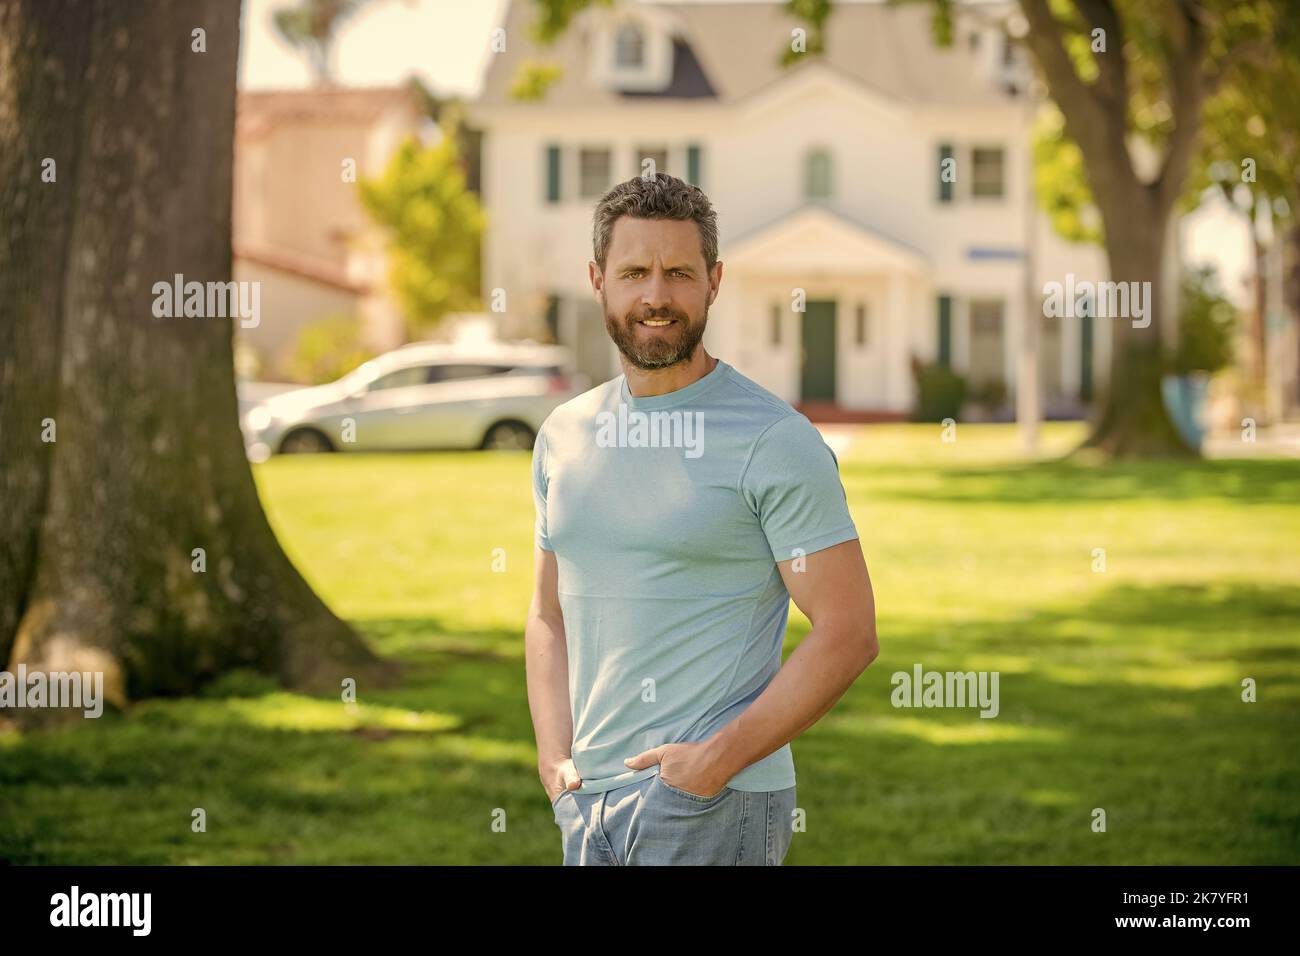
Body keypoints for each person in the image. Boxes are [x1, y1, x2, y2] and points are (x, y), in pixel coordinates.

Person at [525, 173, 878, 865]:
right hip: (586, 805)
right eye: (633, 272)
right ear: (597, 279)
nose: (656, 296)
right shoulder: (564, 434)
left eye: (678, 273)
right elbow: (547, 614)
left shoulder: (773, 440)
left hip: (712, 802)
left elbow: (849, 631)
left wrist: (715, 762)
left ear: (714, 282)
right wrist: (553, 758)